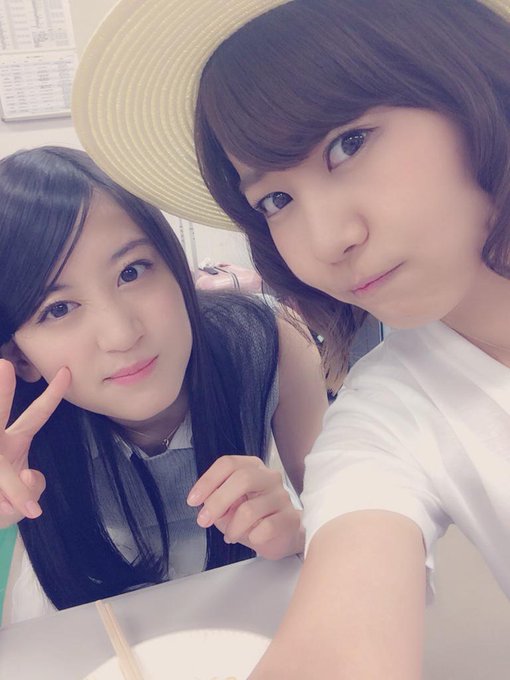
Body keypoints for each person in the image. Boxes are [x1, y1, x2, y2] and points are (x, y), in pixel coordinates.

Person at [70, 0, 510, 677]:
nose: (327, 240)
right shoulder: (390, 411)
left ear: (471, 81)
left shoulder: (259, 342)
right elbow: (340, 632)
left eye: (349, 144)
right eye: (275, 201)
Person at [0, 146, 328, 627]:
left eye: (131, 272)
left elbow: (349, 524)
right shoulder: (11, 418)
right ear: (21, 357)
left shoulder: (266, 342)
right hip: (93, 633)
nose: (121, 334)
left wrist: (298, 533)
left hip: (246, 619)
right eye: (59, 309)